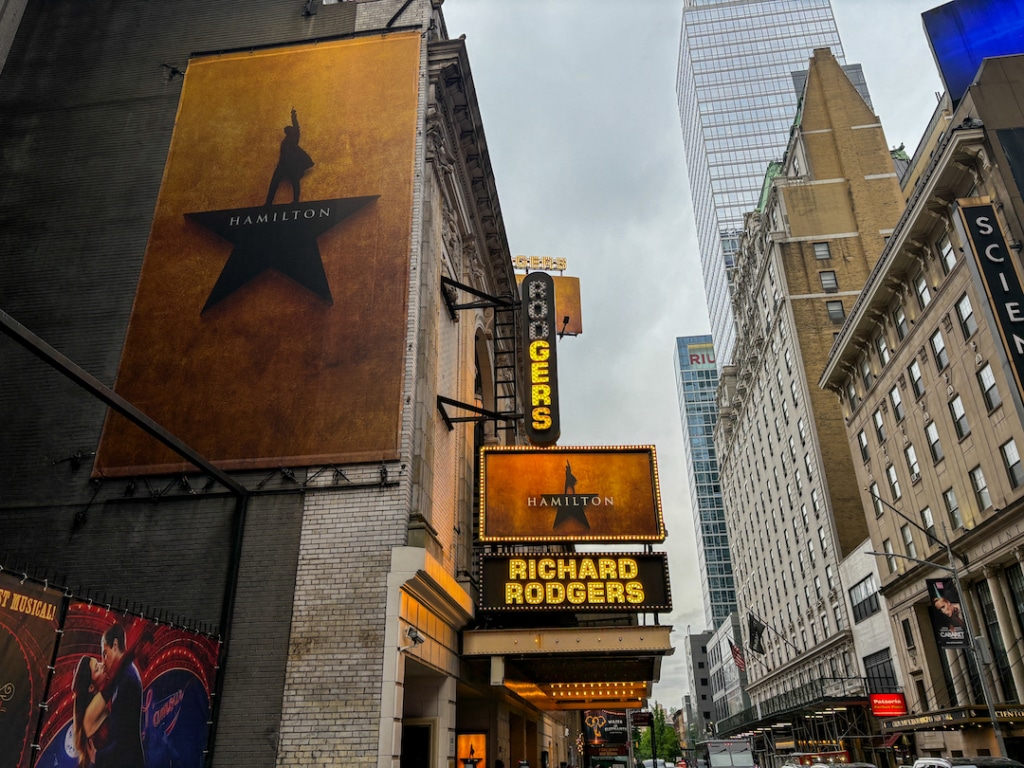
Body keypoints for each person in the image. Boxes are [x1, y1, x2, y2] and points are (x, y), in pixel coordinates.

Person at [93, 624, 146, 768]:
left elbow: (125, 741)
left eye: (105, 653)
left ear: (115, 645)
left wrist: (96, 756)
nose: (103, 660)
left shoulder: (128, 678)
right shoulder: (121, 676)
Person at [265, 108, 314, 206]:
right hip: (282, 164)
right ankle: (268, 202)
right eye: (286, 130)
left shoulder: (294, 137)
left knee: (295, 181)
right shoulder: (286, 139)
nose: (287, 131)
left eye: (288, 129)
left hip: (291, 164)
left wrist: (293, 115)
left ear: (291, 131)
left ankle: (296, 200)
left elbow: (296, 126)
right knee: (274, 183)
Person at [72, 656, 108, 768]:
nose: (103, 665)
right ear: (91, 687)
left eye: (99, 663)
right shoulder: (93, 709)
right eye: (97, 669)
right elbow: (114, 681)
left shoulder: (93, 706)